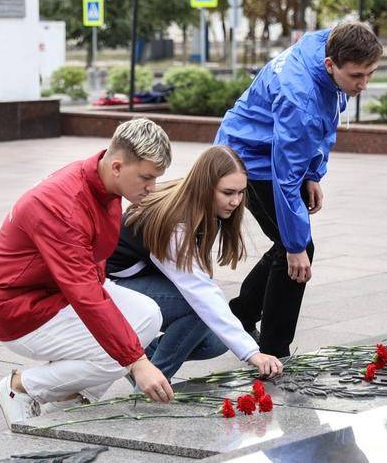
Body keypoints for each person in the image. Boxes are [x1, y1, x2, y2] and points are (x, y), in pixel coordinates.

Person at [0, 118, 175, 429]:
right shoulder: (63, 205)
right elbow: (85, 294)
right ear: (116, 166)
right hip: (19, 309)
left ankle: (70, 395)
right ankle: (20, 388)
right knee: (118, 352)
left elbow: (89, 269)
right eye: (146, 178)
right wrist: (137, 363)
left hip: (57, 294)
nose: (152, 187)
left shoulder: (101, 182)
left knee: (148, 316)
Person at [215, 22, 382, 357]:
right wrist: (294, 246)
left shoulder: (331, 42)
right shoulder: (301, 98)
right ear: (330, 65)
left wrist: (314, 173)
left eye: (370, 74)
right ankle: (275, 351)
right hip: (249, 158)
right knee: (297, 250)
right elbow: (285, 176)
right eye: (356, 76)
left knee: (291, 245)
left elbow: (324, 121)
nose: (363, 84)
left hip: (272, 146)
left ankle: (241, 314)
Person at [107, 146, 283, 381]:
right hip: (112, 285)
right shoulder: (177, 220)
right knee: (197, 307)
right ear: (205, 187)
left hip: (142, 278)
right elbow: (198, 290)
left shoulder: (203, 206)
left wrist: (242, 343)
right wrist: (252, 353)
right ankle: (152, 384)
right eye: (228, 192)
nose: (236, 201)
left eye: (241, 193)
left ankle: (140, 362)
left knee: (216, 342)